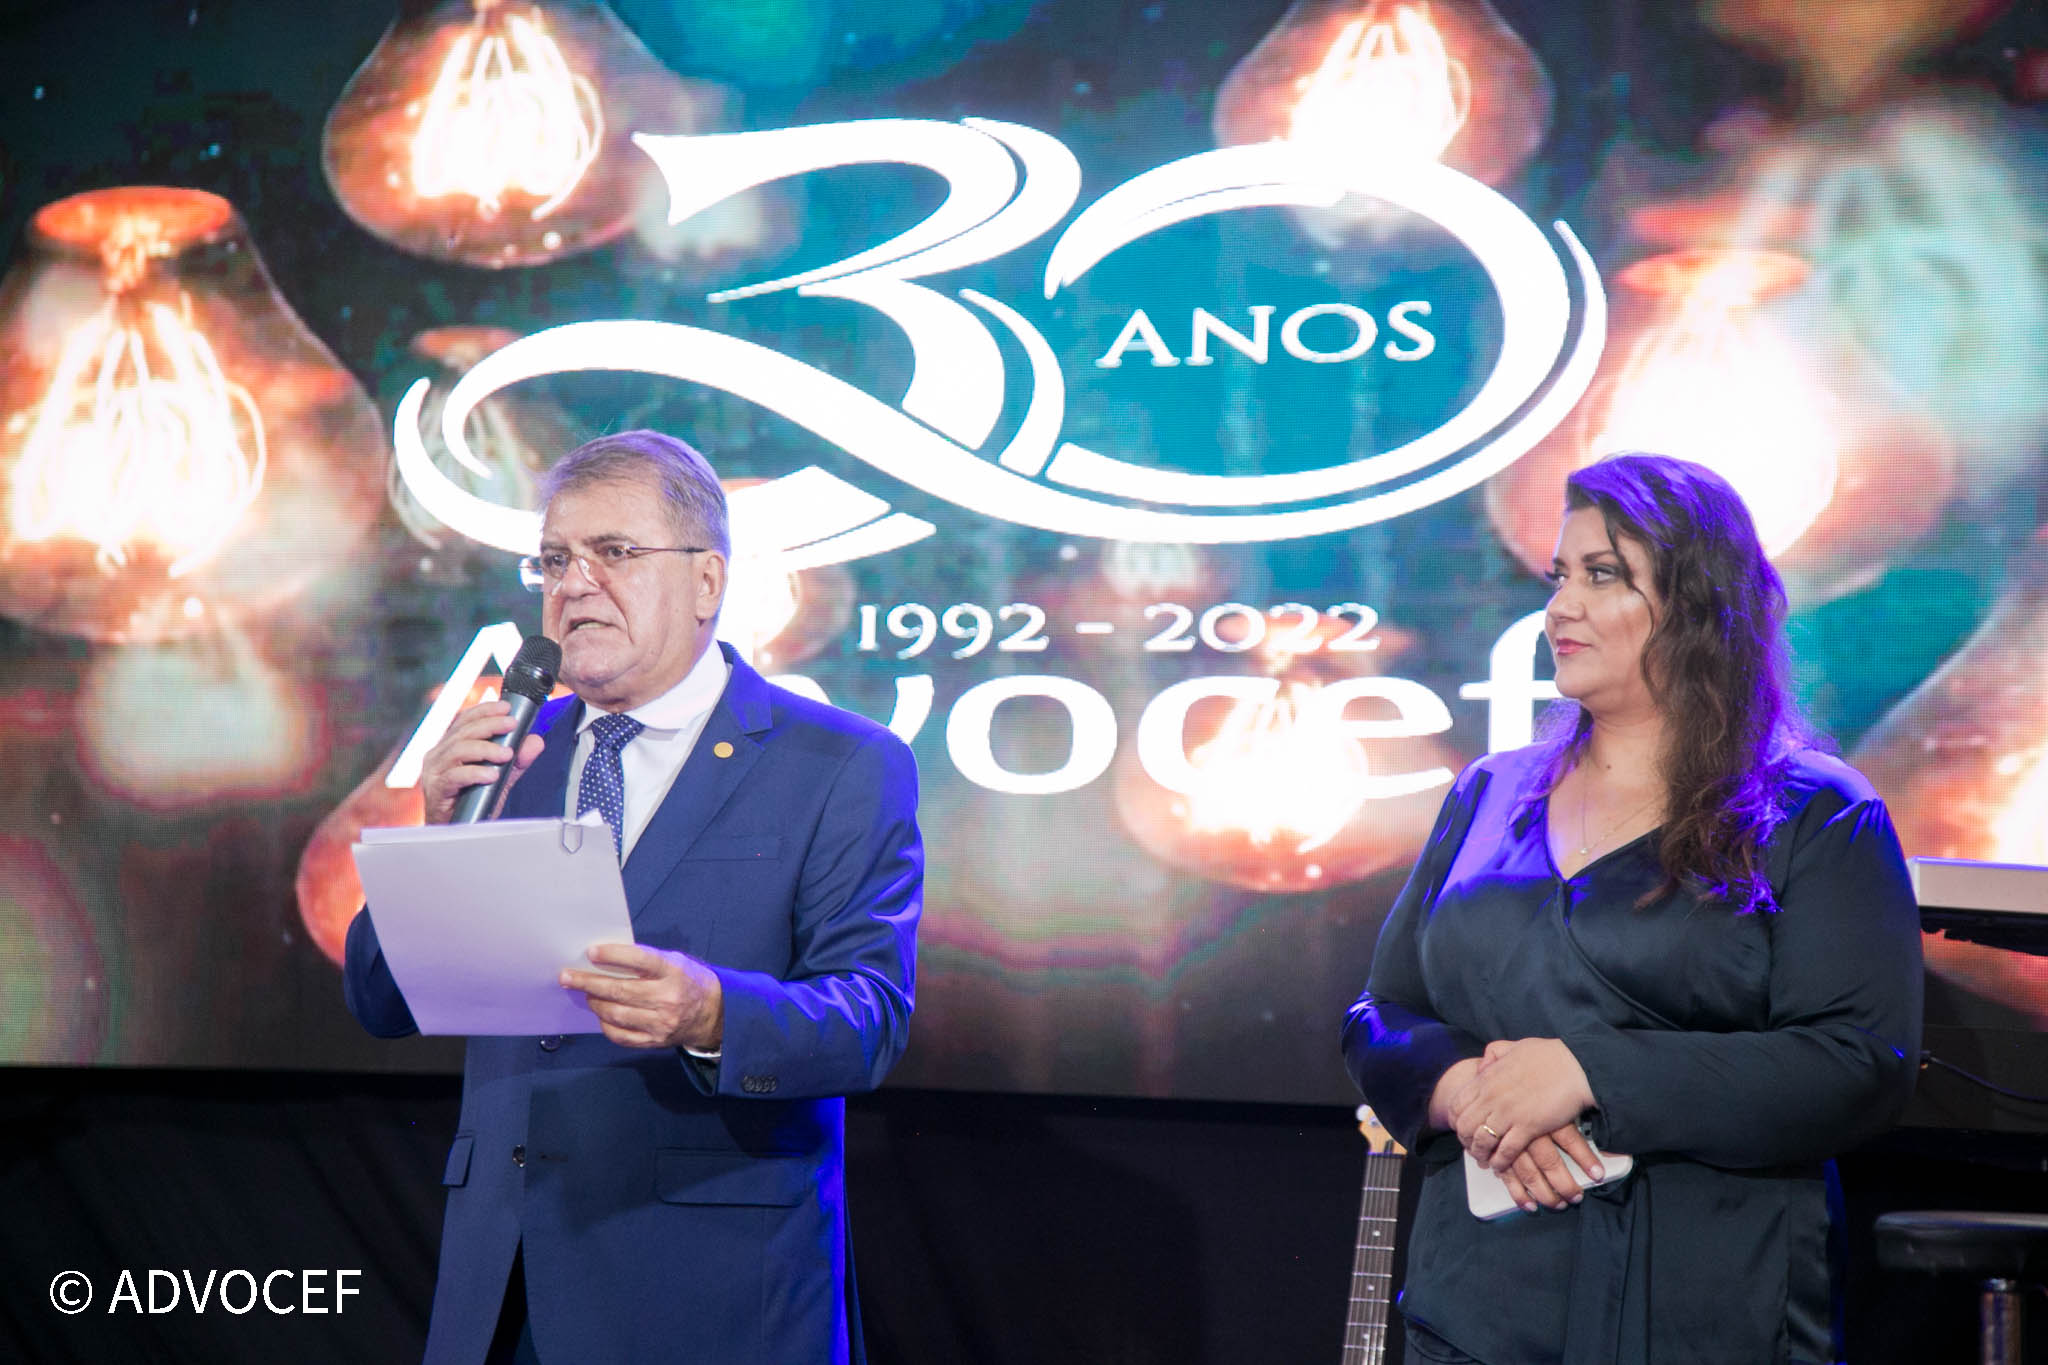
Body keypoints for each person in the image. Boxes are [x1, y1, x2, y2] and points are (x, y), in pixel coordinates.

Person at [343, 430, 922, 1365]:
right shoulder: (510, 757)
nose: (575, 585)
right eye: (554, 560)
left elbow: (869, 1016)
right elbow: (381, 1000)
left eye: (613, 552)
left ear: (707, 581)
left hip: (707, 1295)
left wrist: (714, 1013)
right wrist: (437, 830)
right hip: (501, 1291)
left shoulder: (838, 764)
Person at [1343, 453, 1923, 1365]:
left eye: (1602, 574)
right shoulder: (1489, 792)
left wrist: (1588, 1073)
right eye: (1558, 577)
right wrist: (1466, 1093)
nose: (1560, 607)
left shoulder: (1816, 811)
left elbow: (1855, 1062)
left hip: (1706, 1316)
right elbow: (1381, 1013)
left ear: (1700, 603)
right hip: (1475, 1314)